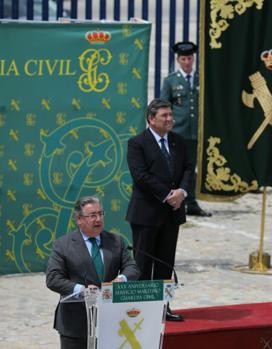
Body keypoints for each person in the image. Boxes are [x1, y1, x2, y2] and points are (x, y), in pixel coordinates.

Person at [126, 98, 193, 321]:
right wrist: (167, 195)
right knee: (143, 264)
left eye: (171, 115)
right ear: (151, 119)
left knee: (165, 263)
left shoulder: (179, 141)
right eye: (164, 116)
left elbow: (187, 169)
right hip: (146, 214)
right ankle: (141, 309)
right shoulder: (137, 143)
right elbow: (141, 176)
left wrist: (182, 192)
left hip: (171, 215)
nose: (170, 119)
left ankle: (163, 307)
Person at [46, 196, 140, 349]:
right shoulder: (63, 245)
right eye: (92, 215)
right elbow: (53, 278)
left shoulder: (116, 241)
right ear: (79, 219)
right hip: (76, 323)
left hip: (110, 320)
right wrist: (81, 290)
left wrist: (121, 279)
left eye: (100, 214)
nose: (98, 219)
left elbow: (132, 268)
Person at [160, 41, 211, 217]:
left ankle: (191, 202)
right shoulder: (171, 81)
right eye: (184, 59)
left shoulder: (201, 78)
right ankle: (175, 200)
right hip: (178, 131)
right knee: (176, 168)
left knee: (192, 168)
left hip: (196, 131)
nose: (187, 62)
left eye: (189, 58)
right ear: (178, 60)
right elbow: (164, 106)